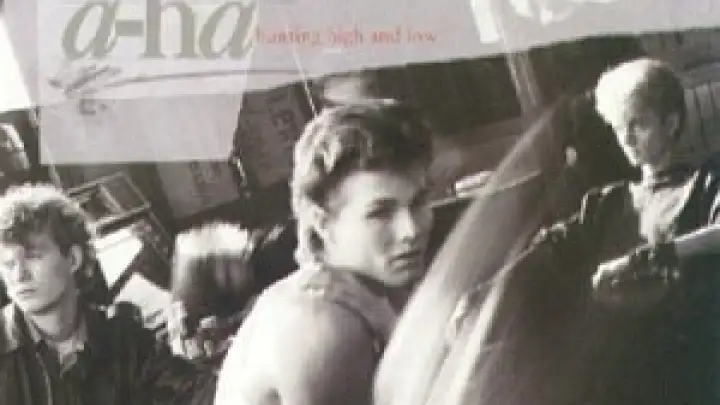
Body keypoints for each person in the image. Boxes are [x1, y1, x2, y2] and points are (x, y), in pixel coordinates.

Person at [214, 100, 434, 405]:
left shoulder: (375, 287)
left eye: (418, 203)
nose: (411, 230)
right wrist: (394, 332)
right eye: (380, 213)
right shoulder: (323, 327)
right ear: (323, 223)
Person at [0, 183, 213, 405]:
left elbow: (199, 393)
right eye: (7, 264)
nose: (19, 275)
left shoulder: (124, 339)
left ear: (73, 259)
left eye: (33, 257)